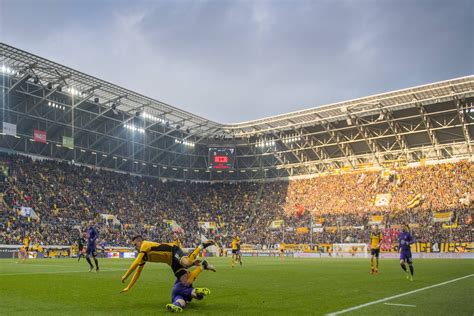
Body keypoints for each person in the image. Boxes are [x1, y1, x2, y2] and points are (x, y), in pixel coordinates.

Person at [120, 235, 216, 293]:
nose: (135, 247)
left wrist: (125, 276)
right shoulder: (143, 256)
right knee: (186, 283)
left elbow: (136, 263)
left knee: (187, 263)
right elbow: (138, 273)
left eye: (135, 244)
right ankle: (203, 265)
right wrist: (128, 286)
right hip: (171, 262)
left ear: (140, 242)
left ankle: (201, 246)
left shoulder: (144, 245)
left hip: (173, 250)